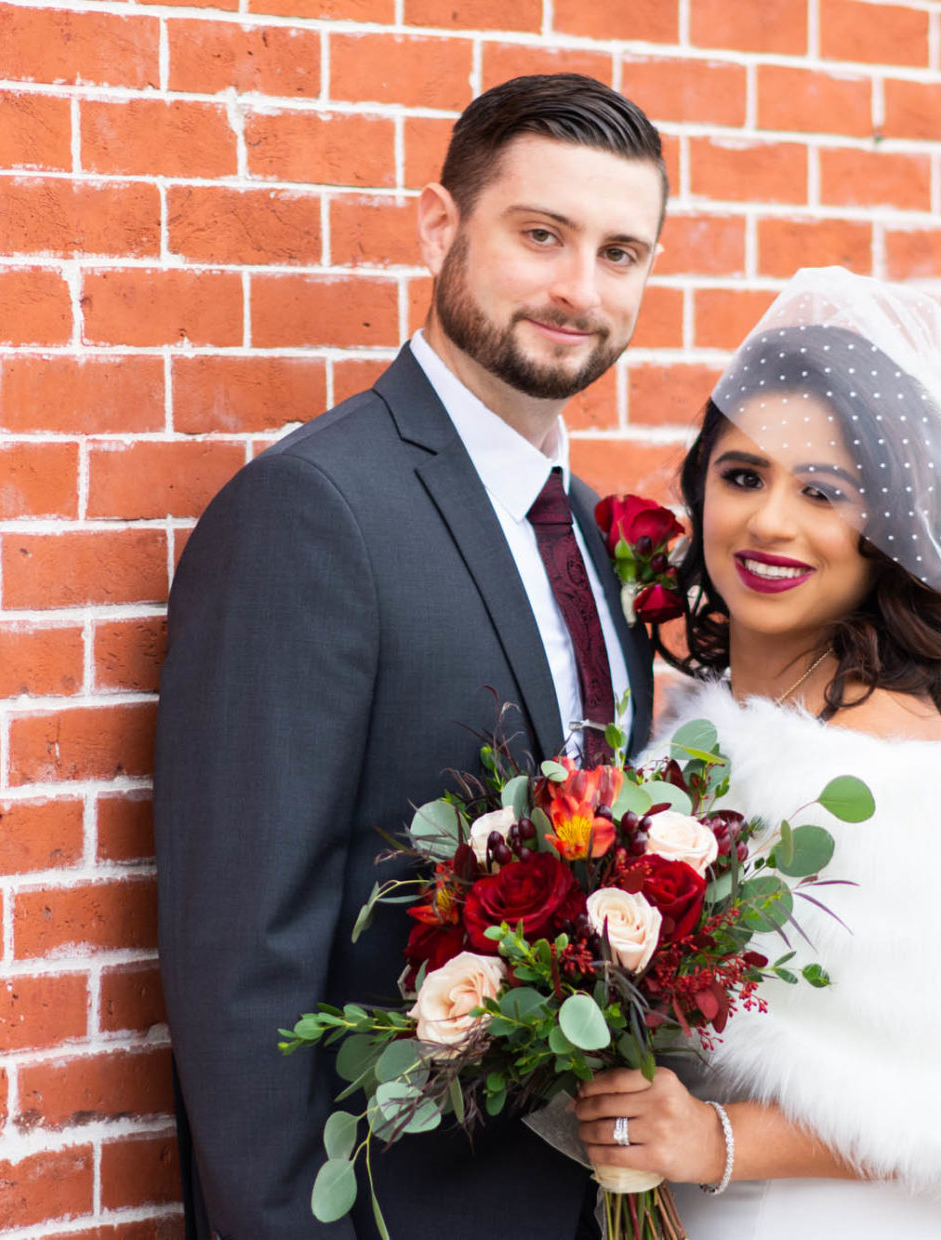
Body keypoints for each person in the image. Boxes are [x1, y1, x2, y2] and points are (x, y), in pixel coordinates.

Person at [154, 75, 666, 1239]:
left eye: (621, 252)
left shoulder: (593, 532)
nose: (579, 290)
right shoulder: (313, 511)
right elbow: (243, 960)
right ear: (441, 226)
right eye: (542, 235)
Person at [571, 267, 941, 1239]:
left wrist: (715, 1140)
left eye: (823, 492)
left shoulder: (922, 783)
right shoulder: (693, 743)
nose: (771, 520)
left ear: (885, 531)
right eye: (743, 476)